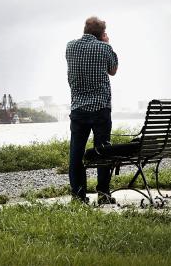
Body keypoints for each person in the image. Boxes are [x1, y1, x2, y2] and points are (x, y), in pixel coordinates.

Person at [65, 16, 118, 204]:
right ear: (101, 33)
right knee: (103, 152)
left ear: (85, 30)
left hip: (78, 109)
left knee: (76, 153)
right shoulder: (105, 48)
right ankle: (103, 194)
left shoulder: (70, 47)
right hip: (100, 109)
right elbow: (113, 70)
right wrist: (106, 43)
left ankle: (78, 195)